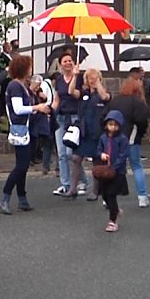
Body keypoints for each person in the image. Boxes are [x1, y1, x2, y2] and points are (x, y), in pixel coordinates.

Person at [0, 56, 50, 214]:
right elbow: (18, 109)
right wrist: (37, 107)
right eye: (29, 66)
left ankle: (22, 198)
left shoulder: (22, 85)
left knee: (23, 165)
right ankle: (5, 197)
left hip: (27, 127)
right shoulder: (15, 86)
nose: (31, 69)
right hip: (20, 128)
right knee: (21, 165)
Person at [64, 68, 110, 200]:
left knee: (97, 162)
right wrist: (74, 76)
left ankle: (95, 191)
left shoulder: (103, 94)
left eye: (95, 77)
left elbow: (105, 97)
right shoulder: (84, 94)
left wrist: (98, 84)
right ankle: (73, 189)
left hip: (98, 132)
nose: (92, 80)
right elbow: (71, 91)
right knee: (76, 158)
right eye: (90, 78)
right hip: (84, 131)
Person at [107, 78, 150, 207]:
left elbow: (105, 116)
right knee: (136, 166)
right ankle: (142, 197)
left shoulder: (114, 101)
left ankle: (108, 197)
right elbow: (142, 121)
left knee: (114, 167)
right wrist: (140, 134)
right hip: (131, 138)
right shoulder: (138, 103)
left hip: (114, 138)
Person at [51, 52, 87, 196]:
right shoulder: (59, 79)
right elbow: (57, 99)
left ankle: (83, 181)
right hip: (61, 117)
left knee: (71, 154)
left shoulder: (79, 79)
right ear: (60, 64)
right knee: (61, 154)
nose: (68, 63)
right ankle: (65, 184)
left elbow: (74, 94)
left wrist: (75, 76)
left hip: (74, 119)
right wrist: (50, 111)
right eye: (65, 61)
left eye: (70, 61)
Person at [97, 111, 130, 232]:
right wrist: (101, 155)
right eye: (110, 124)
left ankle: (113, 220)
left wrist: (115, 167)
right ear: (106, 125)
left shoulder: (122, 139)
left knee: (111, 195)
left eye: (116, 125)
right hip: (105, 171)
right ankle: (115, 211)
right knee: (104, 195)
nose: (113, 127)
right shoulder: (103, 138)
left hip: (117, 172)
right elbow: (98, 150)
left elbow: (124, 155)